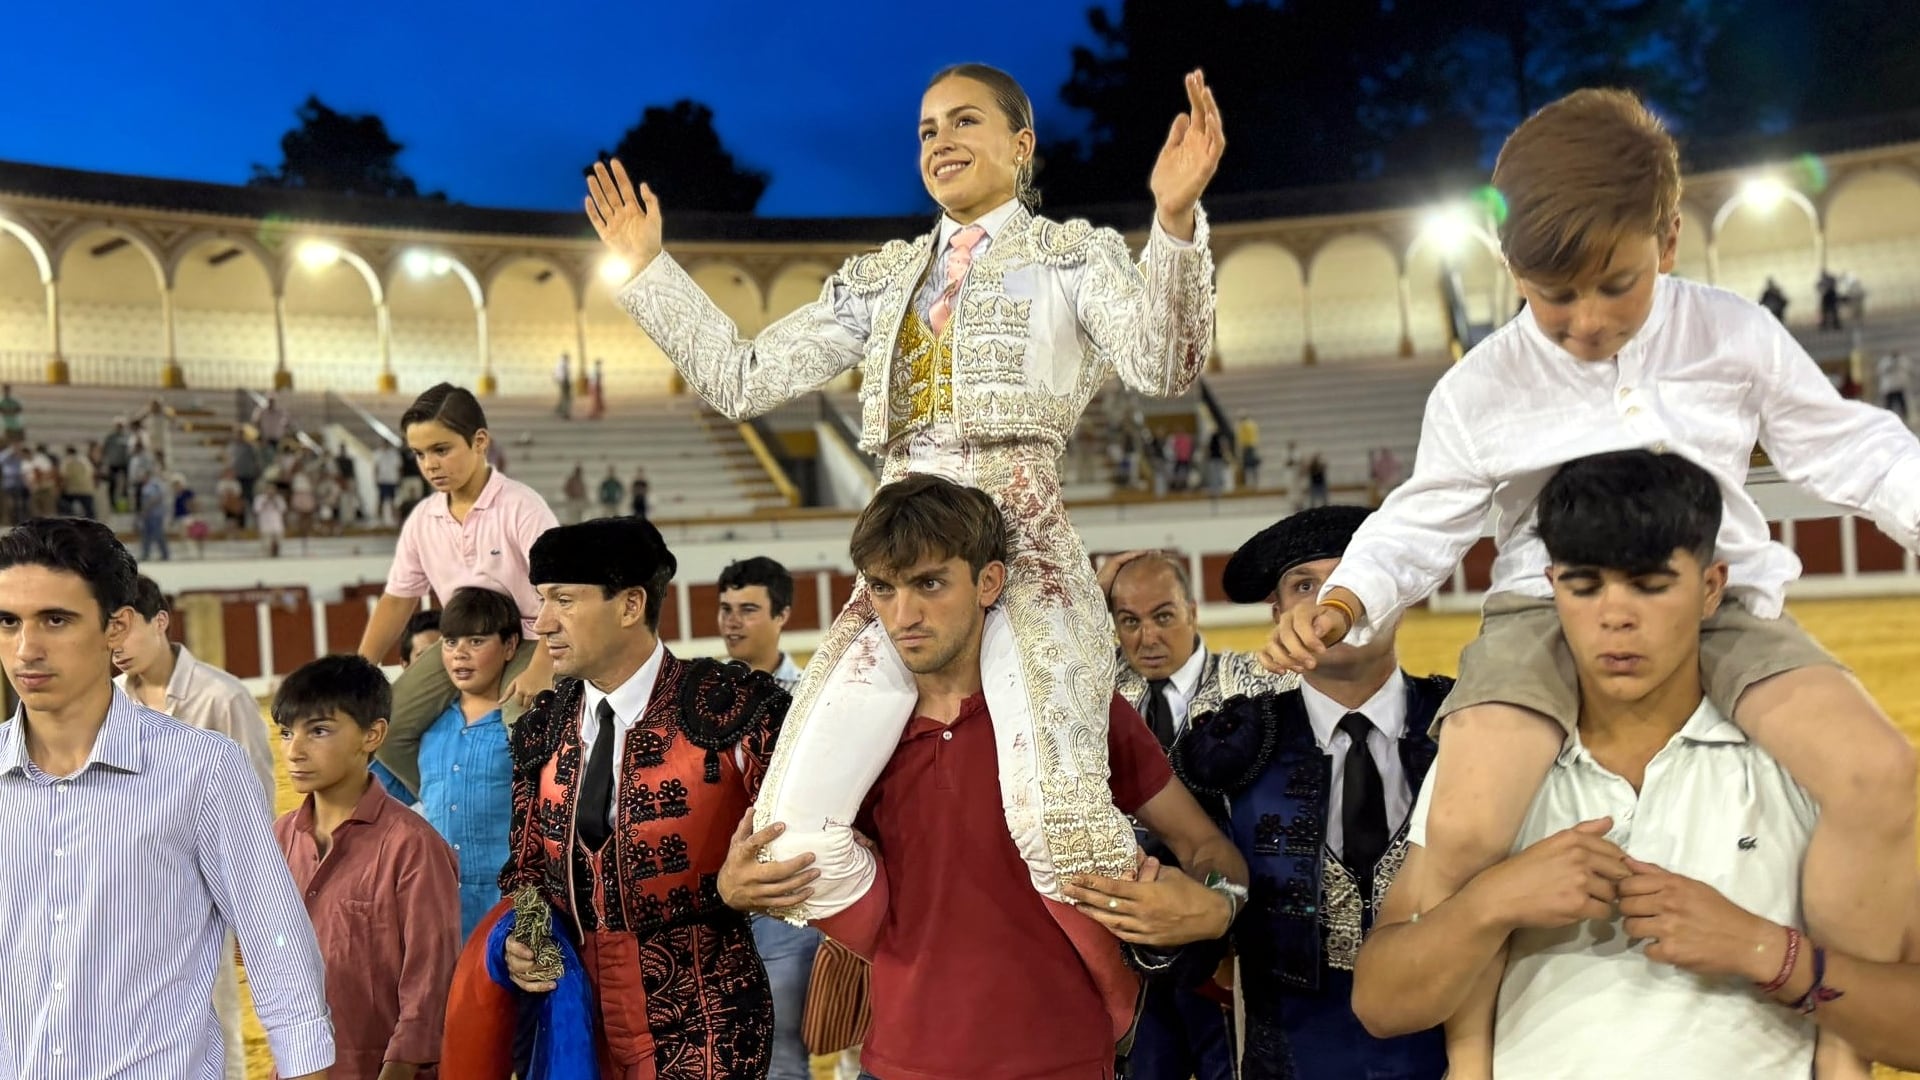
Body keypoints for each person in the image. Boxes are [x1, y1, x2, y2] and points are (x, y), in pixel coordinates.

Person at [1263, 89, 1920, 1078]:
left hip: (1719, 603)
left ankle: (1841, 1050)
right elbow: (1421, 518)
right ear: (1506, 265)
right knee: (1476, 822)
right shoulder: (1480, 386)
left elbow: (1851, 447)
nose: (1582, 322)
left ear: (1667, 237)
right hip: (1540, 610)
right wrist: (1349, 600)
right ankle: (1474, 1061)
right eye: (1550, 294)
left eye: (1613, 285)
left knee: (1880, 775)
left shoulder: (1733, 334)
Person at [593, 63, 1224, 924]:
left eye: (965, 123)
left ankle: (1130, 983)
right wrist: (648, 271)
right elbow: (742, 378)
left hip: (1022, 553)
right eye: (927, 130)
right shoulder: (884, 277)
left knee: (1058, 822)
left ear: (1020, 145)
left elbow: (1166, 363)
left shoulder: (1074, 256)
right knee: (788, 839)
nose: (941, 143)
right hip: (898, 570)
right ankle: (907, 964)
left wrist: (1176, 222)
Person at [720, 476, 1244, 1079]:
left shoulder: (1076, 709)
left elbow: (1203, 844)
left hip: (1063, 1061)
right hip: (895, 1064)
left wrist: (1217, 907)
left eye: (930, 584)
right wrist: (738, 893)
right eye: (884, 589)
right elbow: (794, 869)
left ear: (988, 582)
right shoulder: (851, 742)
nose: (903, 615)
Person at [1352, 450, 1826, 1078]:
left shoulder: (1798, 755)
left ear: (1712, 588)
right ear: (1552, 588)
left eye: (1651, 585)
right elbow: (1381, 1005)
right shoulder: (1494, 764)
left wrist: (1761, 948)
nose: (1616, 616)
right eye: (1585, 585)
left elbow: (1904, 1015)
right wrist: (1491, 902)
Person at [440, 515, 788, 1079]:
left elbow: (815, 839)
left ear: (630, 605)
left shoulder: (734, 708)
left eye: (564, 600)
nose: (543, 621)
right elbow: (528, 871)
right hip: (576, 1026)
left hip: (707, 1023)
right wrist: (524, 939)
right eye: (542, 599)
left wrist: (746, 884)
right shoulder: (542, 728)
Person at [0, 517, 331, 1077]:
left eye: (56, 620)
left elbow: (279, 950)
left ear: (116, 627)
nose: (27, 648)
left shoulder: (203, 769)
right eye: (8, 621)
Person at [1159, 506, 1447, 1079]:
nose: (1325, 603)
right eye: (1304, 585)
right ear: (1278, 612)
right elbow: (1184, 927)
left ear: (1399, 594)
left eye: (1351, 578)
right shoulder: (1226, 748)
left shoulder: (1467, 725)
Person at [1095, 548, 1293, 1080]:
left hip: (1227, 943)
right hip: (1123, 941)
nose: (1147, 638)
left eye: (1163, 616)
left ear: (1192, 612)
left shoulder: (1254, 686)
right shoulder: (1095, 689)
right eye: (1128, 622)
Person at [110, 575, 278, 1079]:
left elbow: (255, 808)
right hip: (119, 891)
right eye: (105, 632)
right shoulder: (107, 703)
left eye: (123, 628)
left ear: (159, 621)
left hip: (197, 893)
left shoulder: (220, 698)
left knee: (209, 1027)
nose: (114, 646)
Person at [359, 383, 557, 796]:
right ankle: (452, 795)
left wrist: (541, 666)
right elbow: (399, 597)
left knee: (523, 721)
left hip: (534, 640)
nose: (430, 464)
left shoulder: (522, 506)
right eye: (419, 454)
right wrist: (362, 666)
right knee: (383, 727)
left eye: (441, 449)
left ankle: (535, 825)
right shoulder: (423, 518)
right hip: (461, 645)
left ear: (479, 442)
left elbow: (560, 593)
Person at [273, 654, 461, 1080]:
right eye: (287, 733)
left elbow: (429, 985)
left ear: (372, 735)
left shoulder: (413, 847)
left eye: (318, 731)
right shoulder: (278, 840)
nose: (294, 751)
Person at [716, 556, 814, 1078]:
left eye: (748, 609)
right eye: (726, 609)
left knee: (781, 1058)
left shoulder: (813, 699)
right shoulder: (698, 698)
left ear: (783, 616)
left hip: (784, 898)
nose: (732, 621)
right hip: (712, 903)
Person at [414, 586, 522, 940]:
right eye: (450, 643)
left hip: (512, 907)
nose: (460, 654)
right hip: (439, 910)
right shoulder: (426, 729)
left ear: (509, 646)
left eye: (476, 642)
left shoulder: (524, 725)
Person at [374, 439, 402, 525]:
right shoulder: (377, 454)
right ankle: (379, 519)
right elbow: (376, 468)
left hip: (392, 480)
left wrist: (399, 479)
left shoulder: (394, 454)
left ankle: (395, 520)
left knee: (393, 501)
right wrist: (376, 479)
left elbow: (399, 467)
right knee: (381, 500)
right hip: (382, 480)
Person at [554, 353, 573, 420]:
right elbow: (565, 374)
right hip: (564, 382)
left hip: (563, 382)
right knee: (567, 398)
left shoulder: (560, 364)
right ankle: (565, 413)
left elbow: (556, 374)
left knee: (564, 397)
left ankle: (560, 409)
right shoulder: (563, 364)